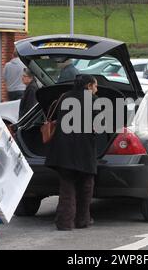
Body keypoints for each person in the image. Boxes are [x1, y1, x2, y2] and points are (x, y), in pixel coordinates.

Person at [45, 74, 99, 231]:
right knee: (86, 186)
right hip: (84, 149)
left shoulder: (64, 97)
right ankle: (83, 220)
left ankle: (64, 222)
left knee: (66, 187)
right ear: (88, 86)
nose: (96, 89)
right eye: (95, 86)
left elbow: (54, 117)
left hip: (63, 149)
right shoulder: (94, 101)